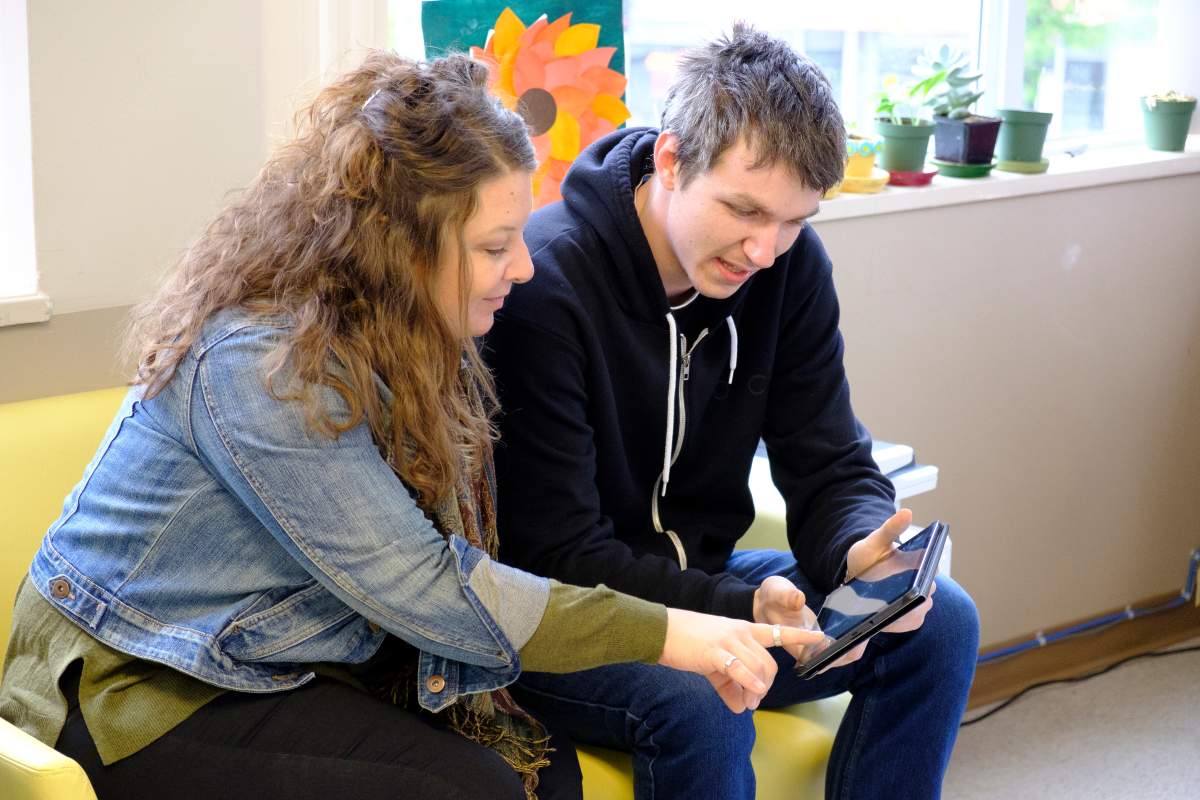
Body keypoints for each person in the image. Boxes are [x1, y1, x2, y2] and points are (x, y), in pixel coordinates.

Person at [0, 51, 823, 800]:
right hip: (136, 683)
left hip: (277, 655)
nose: (526, 267)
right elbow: (432, 585)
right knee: (478, 789)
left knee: (543, 771)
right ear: (398, 244)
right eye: (496, 245)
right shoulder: (263, 367)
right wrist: (679, 633)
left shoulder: (413, 332)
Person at [484, 24, 981, 800]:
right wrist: (732, 609)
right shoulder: (548, 287)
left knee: (941, 620)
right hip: (567, 622)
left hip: (707, 585)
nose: (763, 250)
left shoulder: (789, 269)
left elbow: (828, 459)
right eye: (744, 211)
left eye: (793, 222)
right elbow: (557, 557)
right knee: (701, 694)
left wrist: (856, 549)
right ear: (672, 159)